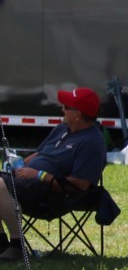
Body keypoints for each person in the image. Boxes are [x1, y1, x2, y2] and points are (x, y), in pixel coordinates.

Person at [0, 88, 109, 259]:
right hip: (27, 180)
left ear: (78, 114)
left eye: (66, 107)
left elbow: (80, 185)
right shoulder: (62, 129)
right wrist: (18, 165)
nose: (62, 110)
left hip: (51, 192)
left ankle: (17, 246)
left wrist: (39, 175)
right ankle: (2, 245)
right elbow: (41, 154)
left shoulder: (91, 142)